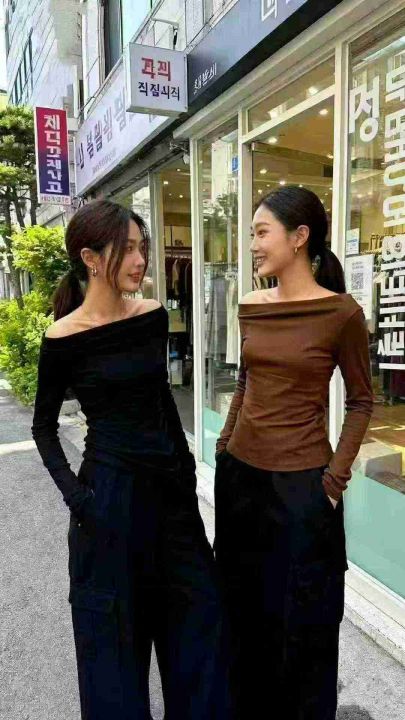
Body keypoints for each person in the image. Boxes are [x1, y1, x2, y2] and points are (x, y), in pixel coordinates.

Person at [31, 200, 230, 720]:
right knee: (113, 655)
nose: (141, 260)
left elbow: (161, 400)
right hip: (109, 504)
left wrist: (185, 474)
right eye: (130, 249)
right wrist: (79, 500)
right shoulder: (62, 338)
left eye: (144, 248)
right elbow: (43, 428)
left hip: (173, 505)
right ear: (91, 258)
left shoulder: (151, 316)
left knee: (199, 634)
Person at [214, 186, 373, 720]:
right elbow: (245, 381)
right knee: (243, 612)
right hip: (241, 482)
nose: (253, 245)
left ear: (300, 237)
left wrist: (332, 482)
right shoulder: (250, 305)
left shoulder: (341, 314)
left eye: (261, 233)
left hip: (303, 488)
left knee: (305, 623)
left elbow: (361, 401)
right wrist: (224, 446)